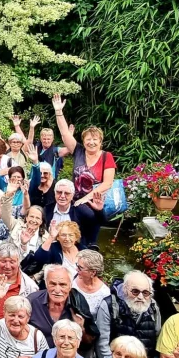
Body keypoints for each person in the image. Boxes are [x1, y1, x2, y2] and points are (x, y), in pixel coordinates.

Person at [52, 94, 115, 245]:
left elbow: (107, 183)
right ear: (83, 140)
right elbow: (65, 134)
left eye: (95, 140)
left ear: (100, 142)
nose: (91, 142)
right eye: (88, 139)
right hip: (75, 204)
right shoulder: (78, 151)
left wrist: (85, 199)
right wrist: (59, 112)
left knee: (89, 239)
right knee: (75, 239)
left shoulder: (107, 156)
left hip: (95, 205)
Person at [96, 271, 162, 358]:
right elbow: (102, 344)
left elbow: (159, 343)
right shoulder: (110, 305)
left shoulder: (153, 308)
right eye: (135, 292)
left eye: (145, 293)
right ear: (125, 289)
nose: (140, 297)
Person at [72, 250, 111, 315]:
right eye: (77, 265)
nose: (76, 269)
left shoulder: (105, 293)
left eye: (80, 268)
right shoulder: (71, 280)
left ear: (93, 272)